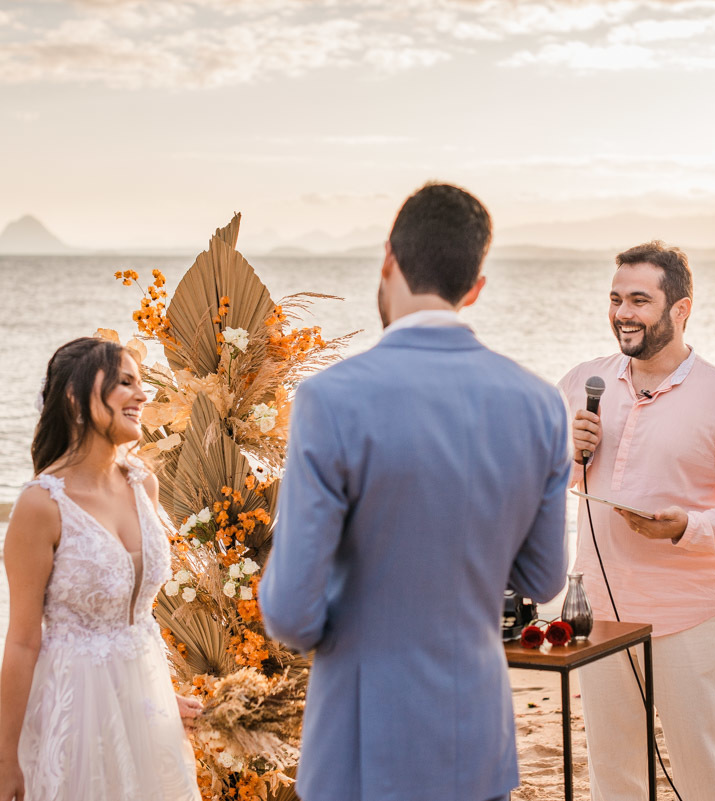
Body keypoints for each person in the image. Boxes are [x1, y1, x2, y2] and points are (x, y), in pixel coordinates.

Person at [259, 183, 572, 801]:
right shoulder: (541, 404)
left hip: (361, 748)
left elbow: (291, 616)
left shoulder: (331, 399)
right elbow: (542, 580)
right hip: (477, 741)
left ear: (388, 259)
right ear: (475, 288)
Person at [558, 241, 715, 801]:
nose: (623, 313)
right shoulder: (581, 382)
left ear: (680, 309)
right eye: (616, 299)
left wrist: (689, 527)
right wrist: (563, 452)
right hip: (598, 615)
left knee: (706, 777)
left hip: (688, 617)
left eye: (639, 300)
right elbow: (531, 477)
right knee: (615, 778)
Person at [0, 337, 202, 801]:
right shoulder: (41, 505)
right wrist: (7, 757)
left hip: (145, 707)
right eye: (125, 382)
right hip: (73, 713)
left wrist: (163, 694)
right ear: (74, 397)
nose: (142, 394)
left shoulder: (144, 485)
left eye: (140, 383)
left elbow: (135, 617)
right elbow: (22, 641)